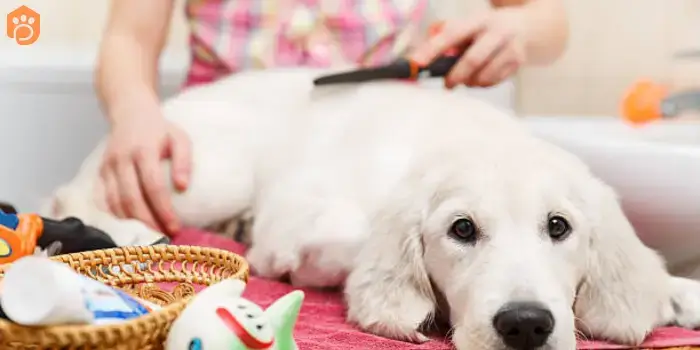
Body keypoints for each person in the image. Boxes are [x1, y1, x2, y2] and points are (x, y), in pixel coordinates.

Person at [95, 0, 568, 236]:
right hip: (219, 155)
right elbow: (128, 40)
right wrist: (135, 114)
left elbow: (549, 22)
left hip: (369, 165)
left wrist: (520, 29)